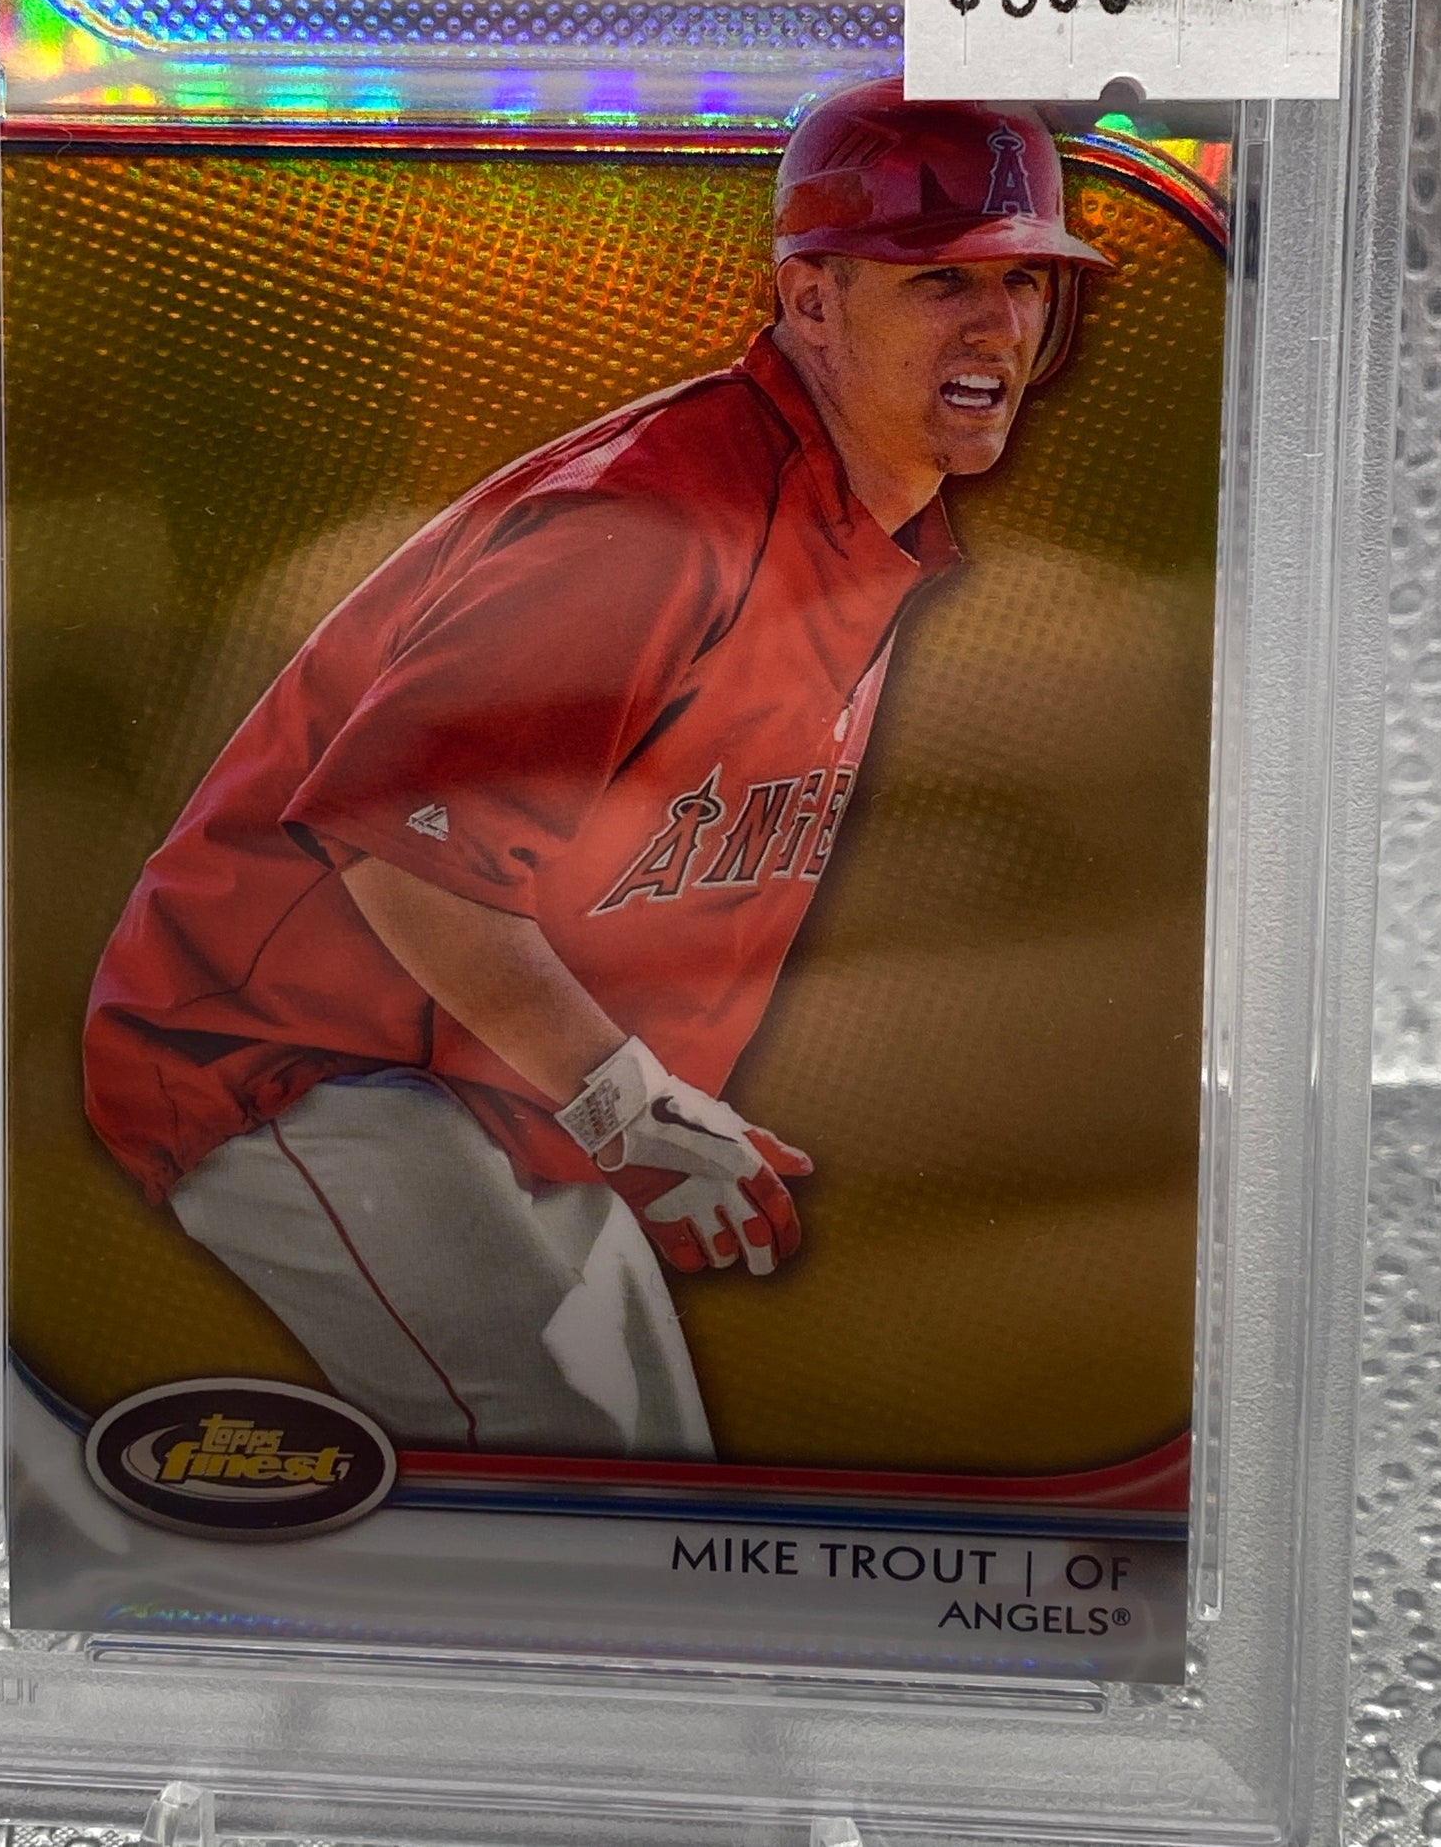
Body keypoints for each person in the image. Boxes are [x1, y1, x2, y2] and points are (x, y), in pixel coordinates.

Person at [82, 80, 1111, 1458]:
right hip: (286, 1059)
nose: (1001, 323)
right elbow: (404, 858)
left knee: (660, 1465)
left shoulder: (850, 526)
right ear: (810, 303)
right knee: (542, 1447)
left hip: (490, 1071)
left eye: (1027, 279)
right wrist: (623, 1096)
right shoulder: (650, 521)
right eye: (943, 281)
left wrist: (630, 1103)